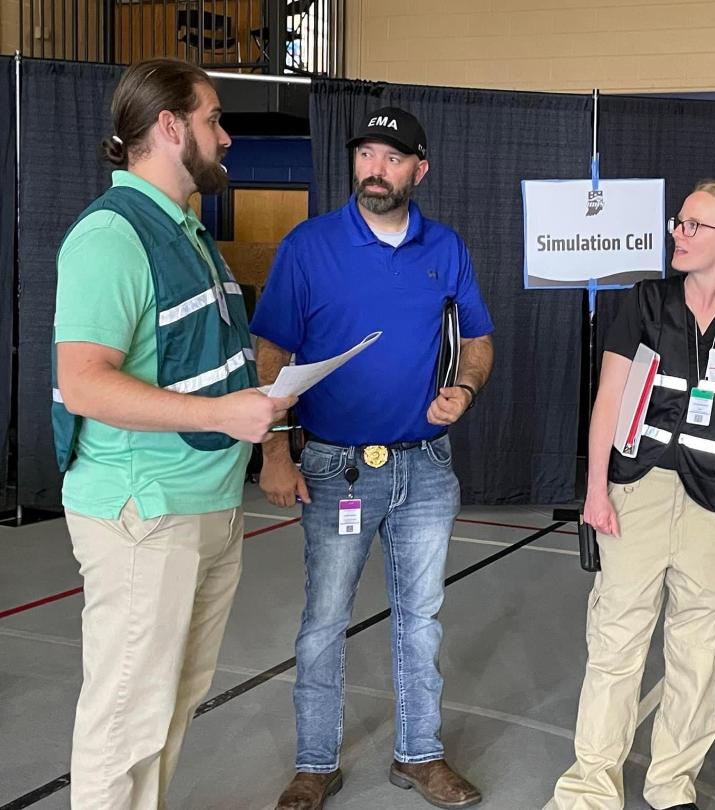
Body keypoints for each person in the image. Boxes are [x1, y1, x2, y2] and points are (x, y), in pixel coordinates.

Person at [51, 58, 294, 809]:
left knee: (166, 708)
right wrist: (223, 415)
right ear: (167, 127)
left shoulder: (185, 232)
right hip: (143, 515)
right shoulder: (111, 236)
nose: (225, 138)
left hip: (204, 509)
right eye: (214, 119)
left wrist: (253, 399)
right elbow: (84, 382)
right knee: (125, 723)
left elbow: (197, 366)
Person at [252, 106, 494, 810]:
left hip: (424, 470)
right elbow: (272, 351)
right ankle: (314, 763)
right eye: (365, 154)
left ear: (418, 170)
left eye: (392, 158)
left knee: (421, 618)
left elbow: (478, 338)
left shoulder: (444, 247)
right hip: (335, 470)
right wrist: (273, 449)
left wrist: (466, 387)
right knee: (324, 619)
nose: (375, 168)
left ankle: (420, 756)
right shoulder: (308, 246)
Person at [547, 180, 715, 810]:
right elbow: (609, 399)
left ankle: (671, 788)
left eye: (694, 226)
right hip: (638, 491)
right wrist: (595, 491)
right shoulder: (644, 301)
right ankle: (589, 791)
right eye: (679, 223)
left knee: (699, 657)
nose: (678, 235)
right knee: (615, 644)